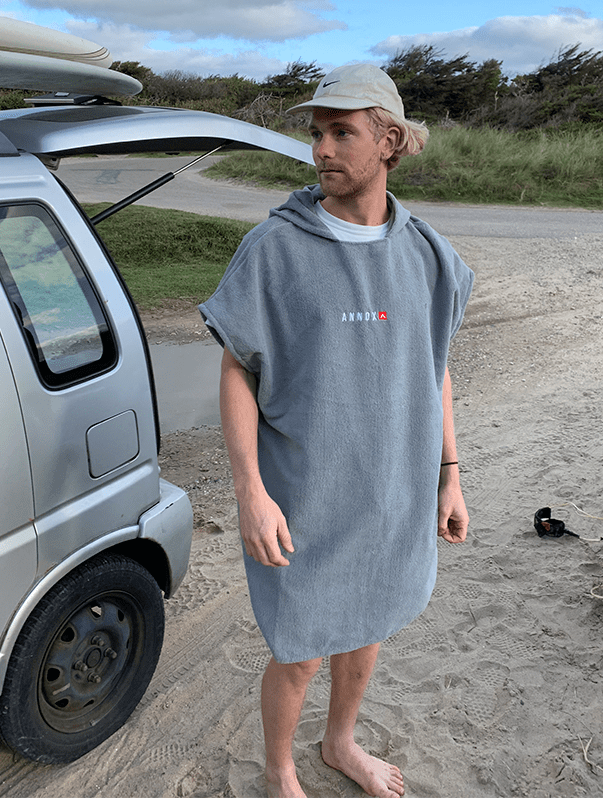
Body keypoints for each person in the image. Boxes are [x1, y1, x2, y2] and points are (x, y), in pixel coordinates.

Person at [199, 63, 474, 798]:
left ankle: (340, 742)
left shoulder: (428, 256)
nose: (321, 149)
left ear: (389, 142)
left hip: (393, 494)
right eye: (316, 133)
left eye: (340, 133)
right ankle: (280, 769)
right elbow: (237, 370)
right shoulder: (275, 249)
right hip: (305, 496)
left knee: (368, 623)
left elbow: (435, 368)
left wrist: (449, 475)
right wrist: (250, 491)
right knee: (300, 649)